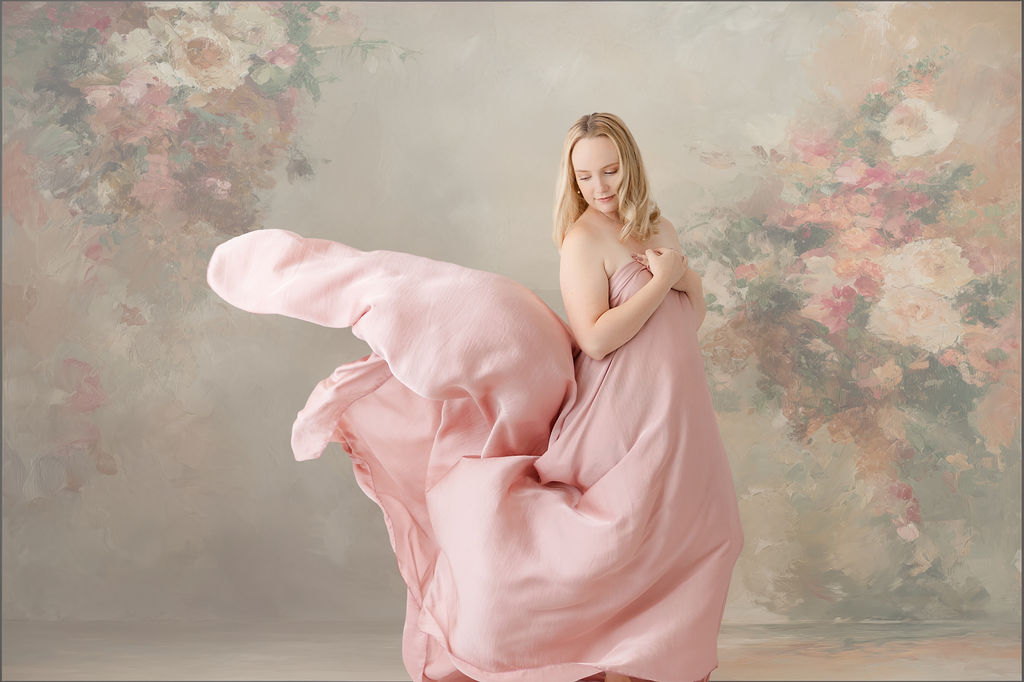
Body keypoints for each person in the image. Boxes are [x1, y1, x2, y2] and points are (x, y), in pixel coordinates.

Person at [206, 112, 743, 682]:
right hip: (624, 404)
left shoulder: (659, 229)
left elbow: (692, 317)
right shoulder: (584, 241)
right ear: (572, 179)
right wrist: (662, 281)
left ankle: (652, 655)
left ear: (630, 165)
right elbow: (597, 337)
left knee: (699, 529)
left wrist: (683, 279)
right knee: (621, 531)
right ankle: (575, 653)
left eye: (610, 171)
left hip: (677, 405)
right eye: (585, 177)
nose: (601, 188)